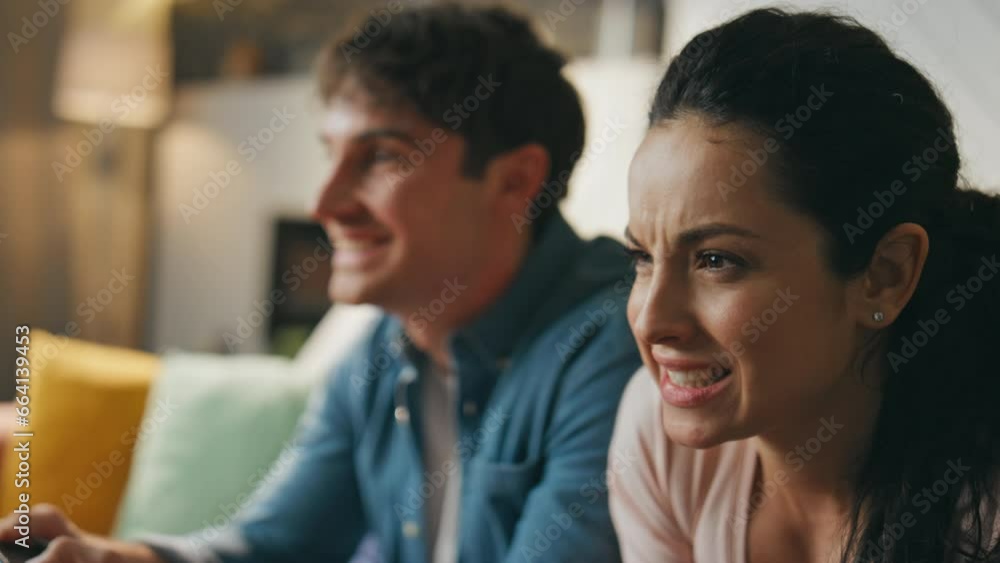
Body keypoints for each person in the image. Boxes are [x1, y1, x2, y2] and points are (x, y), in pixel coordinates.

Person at [0, 4, 641, 562]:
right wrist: (114, 556)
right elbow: (274, 546)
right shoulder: (383, 351)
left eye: (383, 157)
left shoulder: (615, 346)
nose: (325, 203)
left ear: (515, 181)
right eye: (331, 154)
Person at [608, 7, 1000, 563]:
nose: (651, 321)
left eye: (717, 260)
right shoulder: (660, 436)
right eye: (642, 257)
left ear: (885, 276)